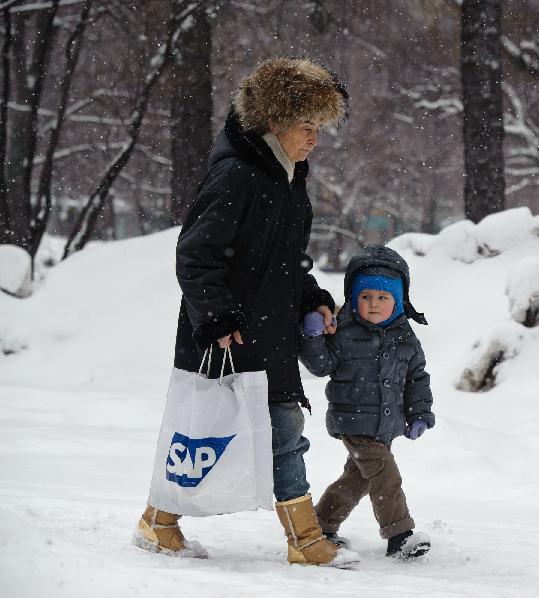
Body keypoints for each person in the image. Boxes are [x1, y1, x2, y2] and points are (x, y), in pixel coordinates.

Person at [134, 57, 359, 568]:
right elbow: (195, 255)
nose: (315, 141)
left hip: (266, 331)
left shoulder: (288, 177)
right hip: (230, 334)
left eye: (320, 129)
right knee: (252, 431)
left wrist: (313, 297)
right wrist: (215, 319)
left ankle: (159, 520)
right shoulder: (237, 175)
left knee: (244, 431)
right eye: (308, 128)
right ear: (275, 123)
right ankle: (303, 541)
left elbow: (283, 262)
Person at [298, 244, 435, 560]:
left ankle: (321, 525)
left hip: (386, 425)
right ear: (354, 299)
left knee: (355, 479)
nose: (374, 304)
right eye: (366, 297)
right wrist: (312, 337)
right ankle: (399, 535)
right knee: (386, 474)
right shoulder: (343, 330)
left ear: (398, 301)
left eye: (383, 298)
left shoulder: (405, 336)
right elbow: (321, 366)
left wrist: (419, 413)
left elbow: (417, 377)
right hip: (354, 421)